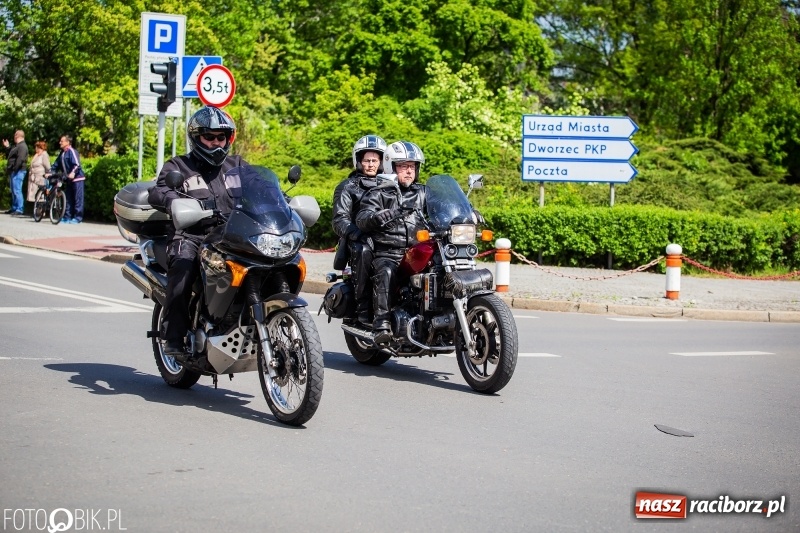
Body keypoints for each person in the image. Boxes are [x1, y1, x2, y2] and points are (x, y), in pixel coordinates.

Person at [148, 105, 247, 357]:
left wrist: (280, 201)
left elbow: (262, 187)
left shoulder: (236, 165)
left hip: (231, 235)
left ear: (228, 138)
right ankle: (173, 337)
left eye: (220, 137)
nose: (216, 143)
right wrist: (173, 201)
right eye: (209, 137)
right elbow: (159, 191)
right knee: (183, 267)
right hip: (193, 236)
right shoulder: (179, 166)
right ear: (196, 138)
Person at [356, 141, 427, 343]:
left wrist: (467, 214)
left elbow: (441, 211)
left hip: (418, 251)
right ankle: (382, 324)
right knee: (386, 271)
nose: (409, 171)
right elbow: (362, 218)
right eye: (403, 166)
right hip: (389, 252)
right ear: (390, 167)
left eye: (412, 167)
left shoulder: (423, 193)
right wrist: (378, 216)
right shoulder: (377, 193)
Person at [332, 134, 387, 325]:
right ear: (359, 161)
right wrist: (357, 234)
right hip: (357, 240)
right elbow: (339, 220)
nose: (371, 164)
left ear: (381, 162)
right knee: (364, 250)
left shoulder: (389, 185)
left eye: (375, 160)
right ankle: (363, 307)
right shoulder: (347, 187)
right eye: (366, 160)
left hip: (388, 238)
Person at [48, 135, 85, 223]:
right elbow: (56, 165)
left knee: (78, 198)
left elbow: (77, 164)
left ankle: (77, 217)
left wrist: (73, 173)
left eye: (62, 141)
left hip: (77, 179)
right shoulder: (62, 153)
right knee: (68, 198)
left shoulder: (72, 151)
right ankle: (67, 217)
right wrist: (50, 172)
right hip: (69, 179)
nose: (60, 142)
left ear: (68, 142)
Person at [3, 130, 28, 216]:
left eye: (15, 135)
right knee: (14, 190)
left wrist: (15, 168)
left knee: (17, 190)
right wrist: (7, 147)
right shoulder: (18, 146)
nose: (14, 137)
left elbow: (20, 159)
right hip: (15, 171)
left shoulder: (22, 146)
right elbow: (13, 153)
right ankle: (14, 207)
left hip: (19, 171)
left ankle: (19, 209)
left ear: (17, 136)